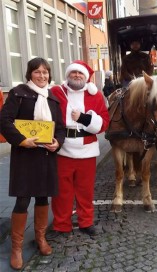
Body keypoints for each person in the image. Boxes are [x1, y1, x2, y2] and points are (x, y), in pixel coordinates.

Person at [0, 57, 65, 270]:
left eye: (45, 72)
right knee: (22, 199)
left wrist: (58, 142)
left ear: (49, 75)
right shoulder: (18, 93)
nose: (42, 76)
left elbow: (61, 128)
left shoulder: (53, 98)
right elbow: (4, 121)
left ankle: (40, 238)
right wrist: (21, 140)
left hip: (46, 156)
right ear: (30, 74)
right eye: (37, 72)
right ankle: (17, 248)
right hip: (25, 156)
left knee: (42, 197)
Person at [47, 60, 109, 239]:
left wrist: (84, 118)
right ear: (67, 75)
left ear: (86, 76)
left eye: (80, 73)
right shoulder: (56, 92)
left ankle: (86, 222)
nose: (76, 75)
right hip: (62, 148)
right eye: (73, 73)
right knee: (61, 191)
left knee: (85, 190)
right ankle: (61, 224)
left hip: (87, 150)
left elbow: (104, 122)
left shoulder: (95, 95)